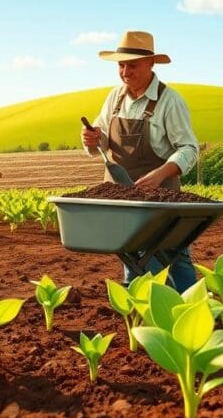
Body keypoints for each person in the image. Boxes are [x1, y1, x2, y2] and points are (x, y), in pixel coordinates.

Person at [81, 30, 200, 292]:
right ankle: (153, 309)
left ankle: (183, 309)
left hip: (159, 198)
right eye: (121, 65)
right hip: (120, 198)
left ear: (151, 64)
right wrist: (92, 139)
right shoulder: (114, 97)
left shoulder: (169, 101)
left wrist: (161, 174)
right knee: (134, 253)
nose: (125, 72)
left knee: (167, 255)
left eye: (132, 65)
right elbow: (101, 140)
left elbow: (189, 149)